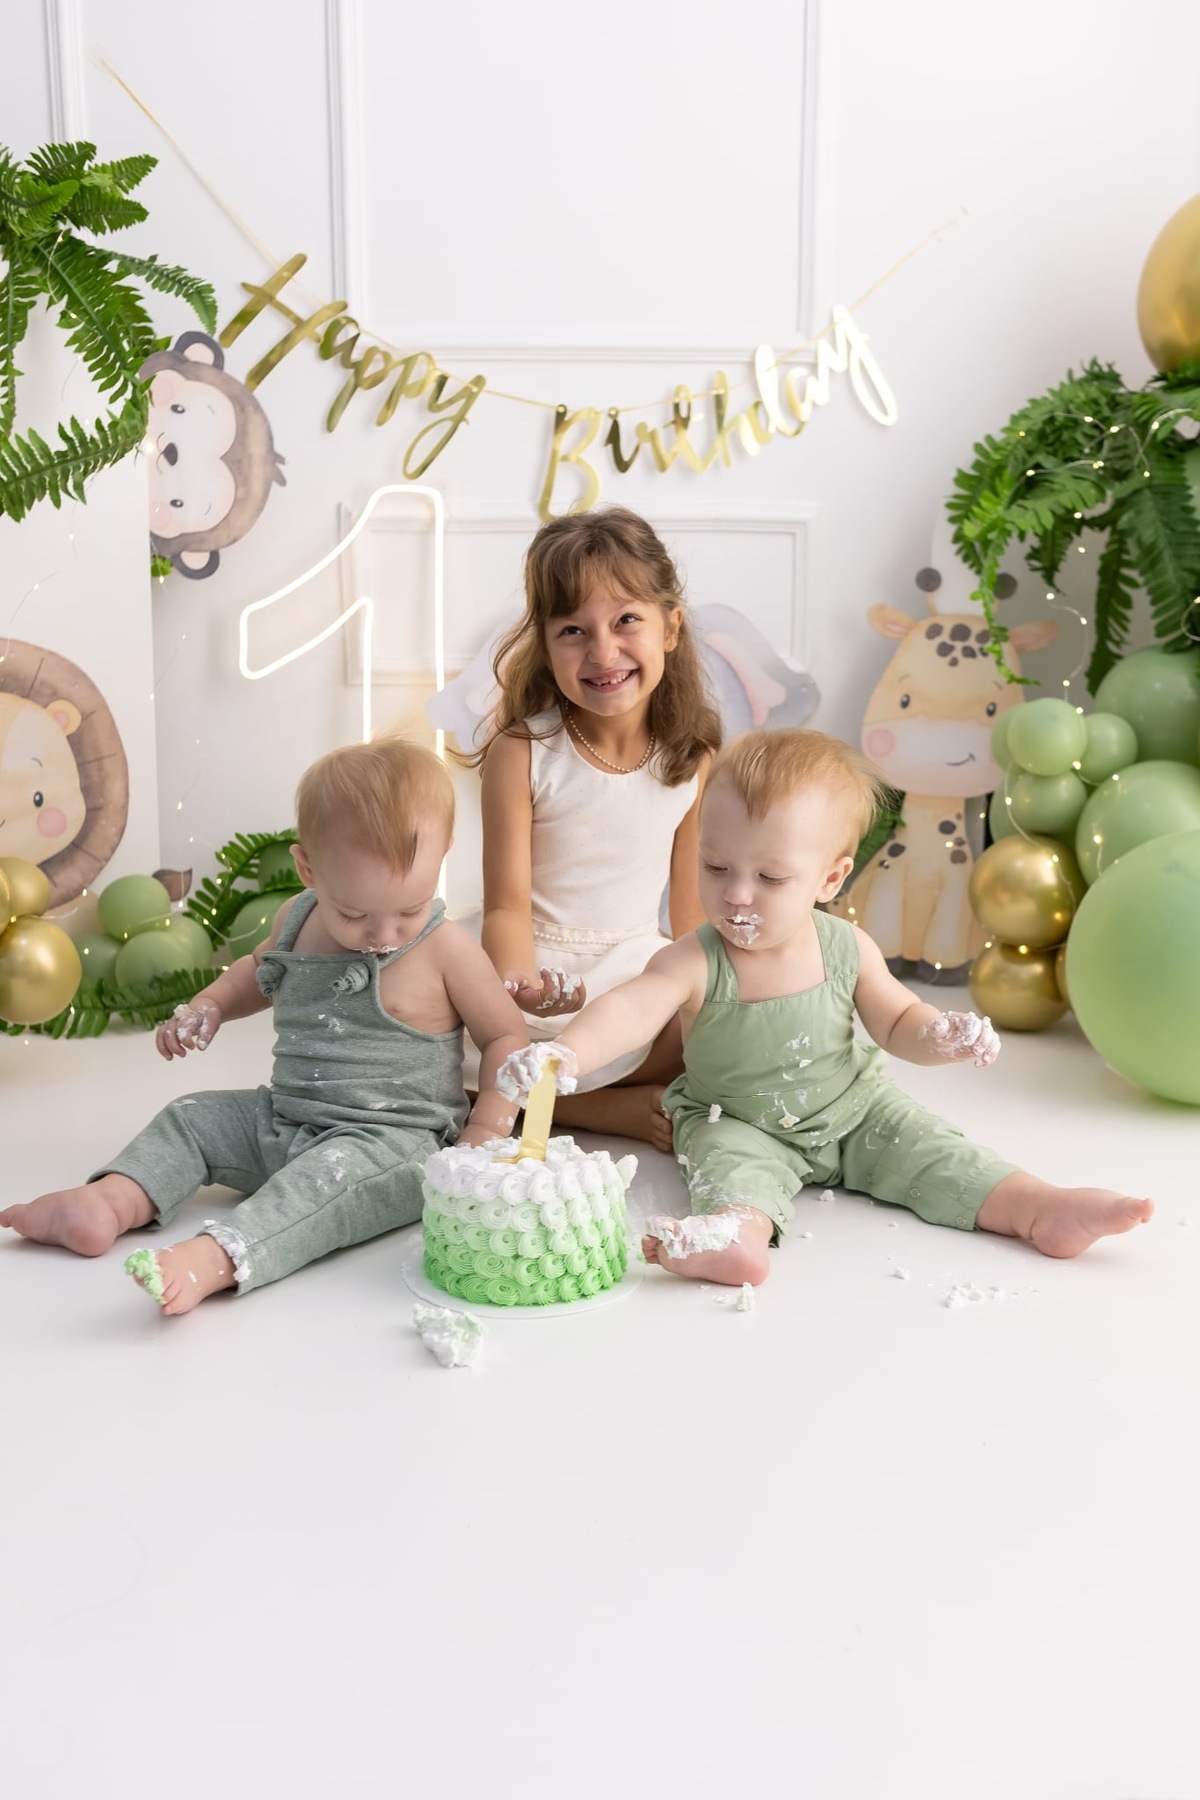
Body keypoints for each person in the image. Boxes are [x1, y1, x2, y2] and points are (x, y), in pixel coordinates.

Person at [498, 728, 1154, 1287]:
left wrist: (942, 1034)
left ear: (830, 879)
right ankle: (737, 1237)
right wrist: (565, 1052)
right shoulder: (696, 958)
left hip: (855, 1108)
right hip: (741, 1120)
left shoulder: (847, 947)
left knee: (936, 1152)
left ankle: (1038, 1206)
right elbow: (633, 1010)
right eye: (717, 867)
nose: (738, 895)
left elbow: (899, 1022)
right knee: (729, 1169)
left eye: (770, 877)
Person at [0, 738, 527, 1315]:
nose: (384, 934)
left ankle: (218, 1256)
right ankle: (112, 1199)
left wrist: (486, 1135)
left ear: (443, 857)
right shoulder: (298, 918)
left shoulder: (446, 950)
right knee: (191, 1117)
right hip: (284, 1119)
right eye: (354, 913)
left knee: (322, 1186)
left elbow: (505, 1036)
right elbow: (259, 971)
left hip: (391, 1146)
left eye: (410, 907)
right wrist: (211, 1005)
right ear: (309, 869)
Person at [463, 506, 721, 1151]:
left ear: (670, 627)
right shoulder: (524, 751)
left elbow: (690, 915)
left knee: (697, 1029)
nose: (603, 652)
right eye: (573, 630)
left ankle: (568, 1095)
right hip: (527, 955)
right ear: (546, 650)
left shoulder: (691, 759)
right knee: (437, 1036)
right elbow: (505, 904)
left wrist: (708, 1003)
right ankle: (595, 1110)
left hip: (628, 963)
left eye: (626, 620)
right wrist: (520, 997)